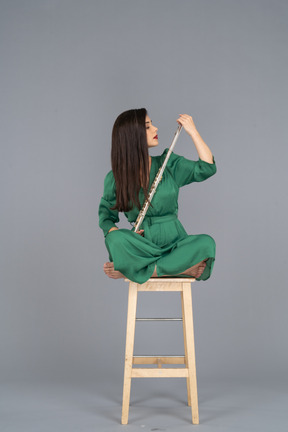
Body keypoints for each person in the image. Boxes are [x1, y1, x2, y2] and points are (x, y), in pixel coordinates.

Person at [98, 108, 217, 284]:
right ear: (133, 135)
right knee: (115, 239)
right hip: (142, 246)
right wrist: (119, 233)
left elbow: (207, 168)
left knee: (207, 243)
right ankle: (181, 269)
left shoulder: (167, 163)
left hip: (175, 242)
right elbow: (106, 218)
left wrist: (193, 131)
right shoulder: (115, 178)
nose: (155, 129)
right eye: (147, 126)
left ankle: (134, 270)